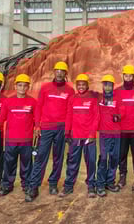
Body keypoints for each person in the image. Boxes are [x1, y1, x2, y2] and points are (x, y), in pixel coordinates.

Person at [25, 61, 75, 202]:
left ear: (66, 74)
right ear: (54, 72)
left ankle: (53, 183)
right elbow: (39, 107)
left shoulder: (70, 90)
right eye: (57, 70)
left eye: (62, 71)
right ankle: (34, 187)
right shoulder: (45, 88)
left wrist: (67, 130)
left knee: (58, 157)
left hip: (61, 128)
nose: (59, 73)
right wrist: (37, 126)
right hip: (46, 127)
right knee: (41, 157)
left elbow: (70, 111)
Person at [0, 74, 36, 196]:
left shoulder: (32, 102)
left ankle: (26, 185)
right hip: (11, 139)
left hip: (26, 139)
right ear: (15, 86)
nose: (22, 88)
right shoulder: (8, 101)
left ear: (28, 87)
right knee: (9, 163)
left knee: (26, 164)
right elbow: (2, 117)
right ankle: (7, 185)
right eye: (20, 85)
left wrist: (38, 128)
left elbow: (37, 119)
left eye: (25, 86)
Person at [60, 74, 99, 198]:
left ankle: (91, 186)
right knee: (72, 162)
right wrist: (67, 132)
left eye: (83, 84)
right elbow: (69, 116)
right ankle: (68, 186)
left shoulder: (92, 99)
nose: (81, 86)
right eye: (79, 84)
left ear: (87, 85)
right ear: (77, 86)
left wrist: (92, 133)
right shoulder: (72, 99)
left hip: (89, 137)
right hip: (75, 136)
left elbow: (96, 117)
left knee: (91, 162)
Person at [115, 65, 134, 191]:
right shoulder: (117, 91)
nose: (128, 78)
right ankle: (122, 177)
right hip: (122, 130)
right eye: (126, 75)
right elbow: (113, 108)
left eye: (130, 75)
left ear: (133, 76)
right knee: (122, 154)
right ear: (123, 76)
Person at [96, 75, 123, 197]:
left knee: (114, 159)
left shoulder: (118, 98)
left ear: (113, 86)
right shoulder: (98, 98)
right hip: (104, 134)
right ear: (103, 85)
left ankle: (110, 182)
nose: (107, 87)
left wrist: (119, 116)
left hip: (116, 134)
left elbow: (122, 111)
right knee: (103, 159)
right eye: (105, 84)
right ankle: (100, 184)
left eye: (109, 84)